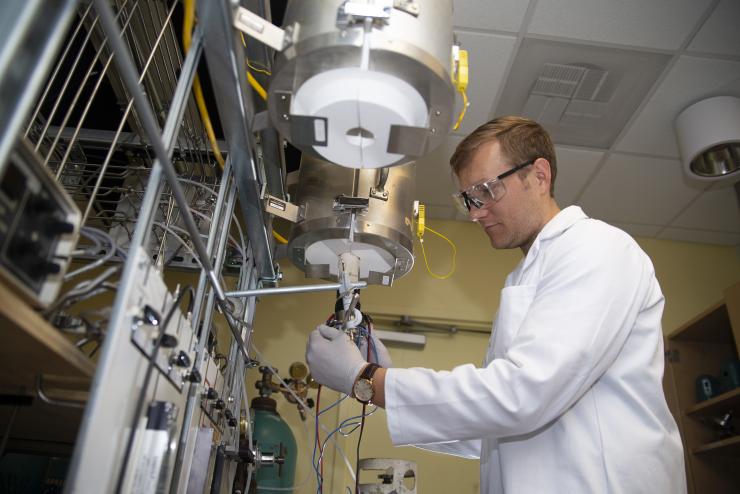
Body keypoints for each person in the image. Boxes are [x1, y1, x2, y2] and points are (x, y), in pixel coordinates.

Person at [306, 116, 686, 493]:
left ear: (539, 175)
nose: (474, 213)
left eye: (486, 191)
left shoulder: (596, 248)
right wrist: (381, 380)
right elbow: (491, 432)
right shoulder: (526, 277)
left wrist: (368, 381)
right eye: (468, 199)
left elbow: (522, 395)